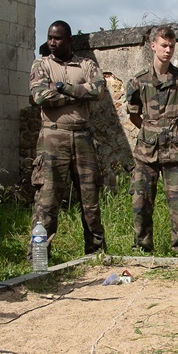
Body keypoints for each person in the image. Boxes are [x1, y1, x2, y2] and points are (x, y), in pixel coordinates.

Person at [29, 20, 106, 255]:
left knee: (90, 198)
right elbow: (41, 97)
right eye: (50, 37)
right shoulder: (41, 65)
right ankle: (39, 254)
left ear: (69, 40)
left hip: (82, 136)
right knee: (48, 198)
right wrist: (79, 94)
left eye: (58, 38)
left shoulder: (86, 65)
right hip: (53, 136)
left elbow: (99, 90)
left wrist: (63, 88)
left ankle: (95, 253)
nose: (52, 42)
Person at [124, 25, 178, 253]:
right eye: (164, 45)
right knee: (141, 205)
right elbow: (134, 114)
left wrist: (174, 129)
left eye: (172, 46)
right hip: (145, 154)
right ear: (153, 45)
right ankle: (142, 250)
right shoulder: (138, 82)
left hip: (175, 153)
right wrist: (151, 131)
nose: (168, 50)